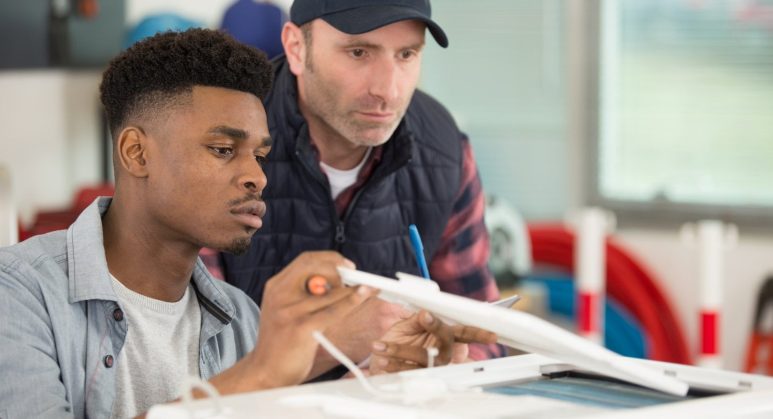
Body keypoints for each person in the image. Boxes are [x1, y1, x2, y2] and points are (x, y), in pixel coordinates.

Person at [0, 29, 496, 419]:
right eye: (223, 150)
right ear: (136, 152)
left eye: (260, 154)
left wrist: (375, 381)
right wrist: (259, 374)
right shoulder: (18, 294)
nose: (256, 176)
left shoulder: (240, 318)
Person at [207, 0, 504, 377]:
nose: (388, 90)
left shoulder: (445, 148)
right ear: (297, 48)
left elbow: (484, 327)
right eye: (359, 52)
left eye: (407, 54)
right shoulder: (218, 146)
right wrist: (334, 347)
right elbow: (185, 371)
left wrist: (449, 366)